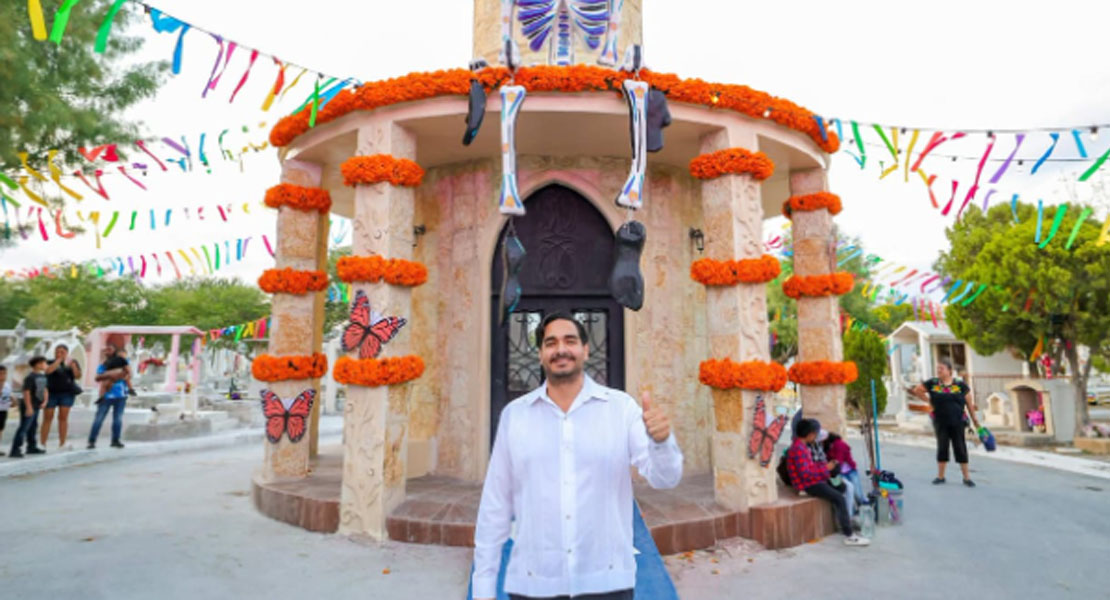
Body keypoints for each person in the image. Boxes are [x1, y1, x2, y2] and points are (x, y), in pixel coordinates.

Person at [472, 312, 683, 600]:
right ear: (540, 354)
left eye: (570, 341)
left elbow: (665, 479)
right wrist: (483, 589)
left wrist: (661, 442)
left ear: (585, 349)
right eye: (551, 342)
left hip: (607, 582)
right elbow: (495, 504)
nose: (561, 349)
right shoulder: (516, 416)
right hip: (534, 582)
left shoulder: (621, 409)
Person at [786, 418, 869, 546]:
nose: (816, 437)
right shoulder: (798, 449)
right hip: (807, 484)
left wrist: (826, 467)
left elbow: (810, 467)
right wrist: (825, 469)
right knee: (839, 498)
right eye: (815, 434)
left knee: (841, 487)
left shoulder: (802, 446)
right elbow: (805, 474)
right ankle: (849, 535)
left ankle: (843, 520)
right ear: (810, 434)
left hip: (812, 480)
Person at [912, 358, 980, 487]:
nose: (938, 371)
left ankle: (966, 478)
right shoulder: (933, 383)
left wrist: (975, 420)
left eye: (941, 368)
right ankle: (940, 476)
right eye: (937, 368)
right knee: (942, 447)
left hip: (958, 421)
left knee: (960, 447)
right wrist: (928, 401)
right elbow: (917, 390)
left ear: (949, 371)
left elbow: (969, 404)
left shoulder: (960, 385)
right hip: (940, 421)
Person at [88, 345, 130, 450]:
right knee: (99, 419)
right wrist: (111, 374)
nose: (108, 351)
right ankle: (92, 441)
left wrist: (119, 374)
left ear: (115, 351)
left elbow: (128, 374)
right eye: (106, 350)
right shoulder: (104, 364)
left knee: (118, 419)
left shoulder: (123, 361)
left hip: (120, 395)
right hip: (106, 396)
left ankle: (115, 440)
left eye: (110, 349)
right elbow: (97, 377)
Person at [42, 344, 81, 450]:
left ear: (67, 353)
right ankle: (43, 443)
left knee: (63, 418)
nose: (59, 354)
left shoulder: (71, 362)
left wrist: (73, 366)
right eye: (57, 352)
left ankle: (62, 443)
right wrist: (58, 360)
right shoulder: (49, 362)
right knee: (47, 417)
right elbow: (48, 371)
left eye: (62, 352)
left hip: (66, 393)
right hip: (51, 393)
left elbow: (77, 376)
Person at [10, 356, 49, 458]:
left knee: (33, 426)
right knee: (24, 427)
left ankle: (31, 446)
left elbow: (45, 390)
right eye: (44, 363)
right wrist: (28, 407)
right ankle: (15, 449)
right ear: (38, 364)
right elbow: (26, 392)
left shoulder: (43, 376)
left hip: (37, 405)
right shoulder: (30, 377)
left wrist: (45, 401)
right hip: (29, 405)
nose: (46, 365)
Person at [824, 431, 867, 508]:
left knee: (857, 492)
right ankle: (857, 508)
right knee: (851, 491)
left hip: (849, 471)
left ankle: (863, 505)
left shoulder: (838, 444)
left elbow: (839, 459)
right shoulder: (830, 447)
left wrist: (832, 465)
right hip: (842, 471)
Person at [0, 365, 10, 456]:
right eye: (1, 374)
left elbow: (7, 395)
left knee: (1, 429)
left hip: (3, 409)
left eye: (4, 373)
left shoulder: (7, 384)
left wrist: (13, 401)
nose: (3, 376)